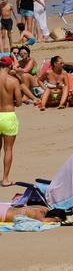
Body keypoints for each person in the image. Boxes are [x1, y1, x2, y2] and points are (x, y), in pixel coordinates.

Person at [0, 58, 22, 186]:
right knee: (8, 149)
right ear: (10, 66)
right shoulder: (13, 81)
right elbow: (19, 102)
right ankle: (5, 179)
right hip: (8, 115)